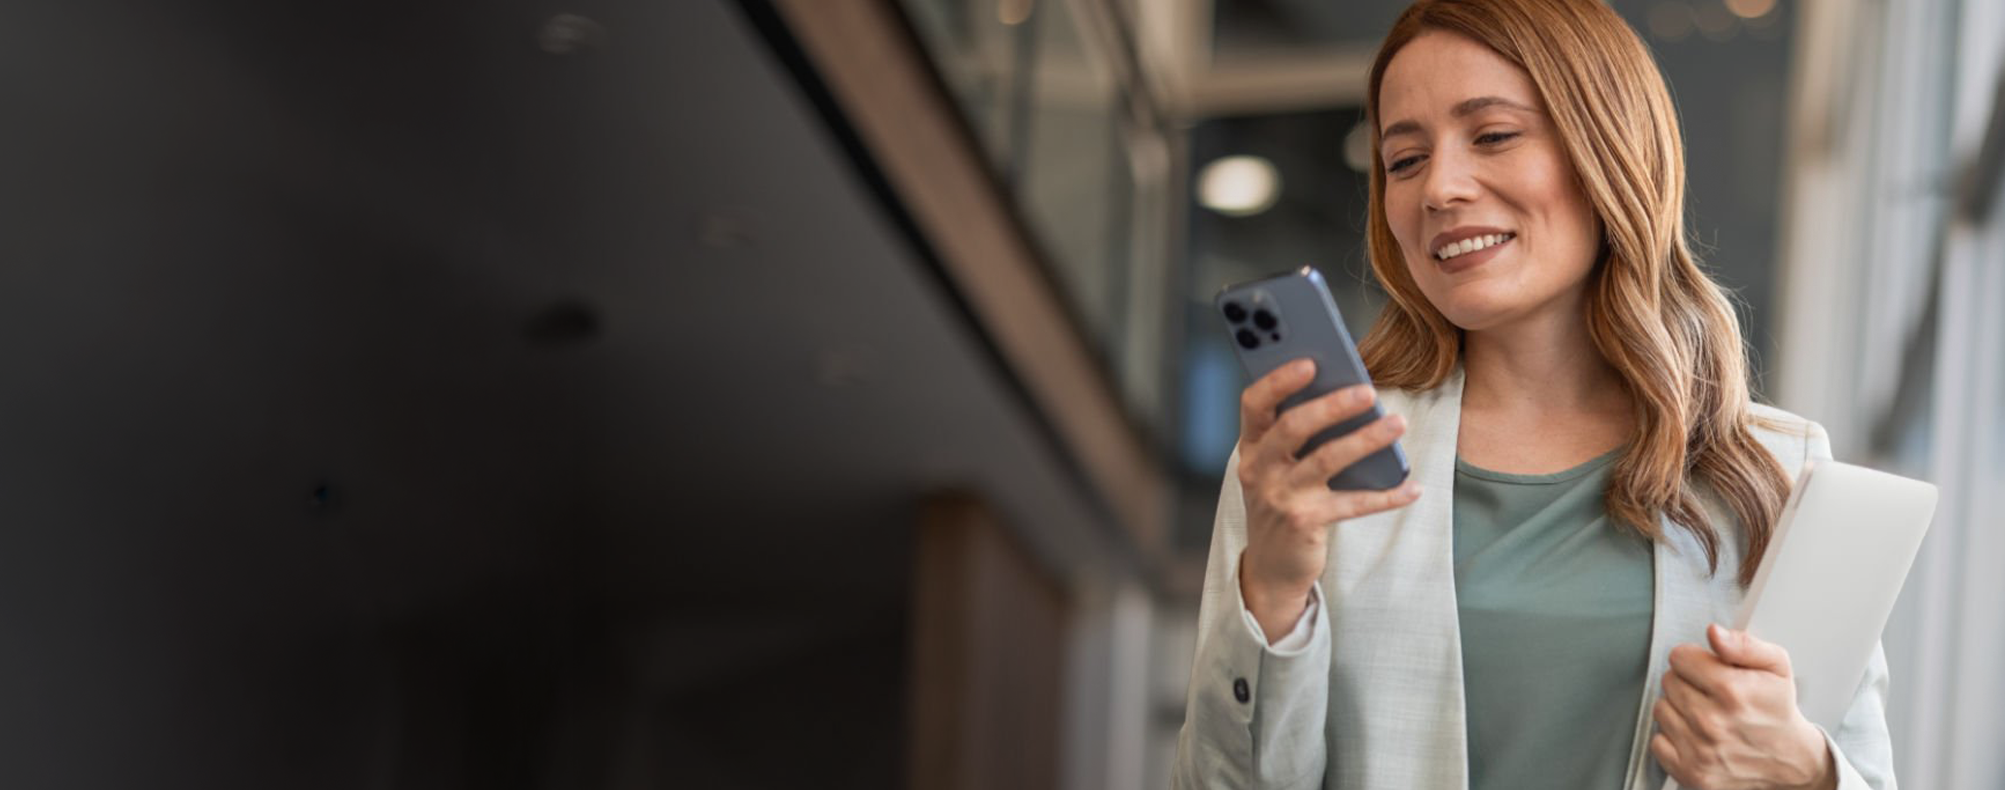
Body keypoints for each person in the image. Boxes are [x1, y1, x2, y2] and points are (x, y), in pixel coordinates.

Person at [1169, 1, 1894, 789]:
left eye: (1493, 136)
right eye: (1404, 159)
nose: (1439, 188)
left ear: (1606, 150)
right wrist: (1271, 590)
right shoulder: (1316, 461)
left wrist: (1807, 772)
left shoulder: (1776, 474)